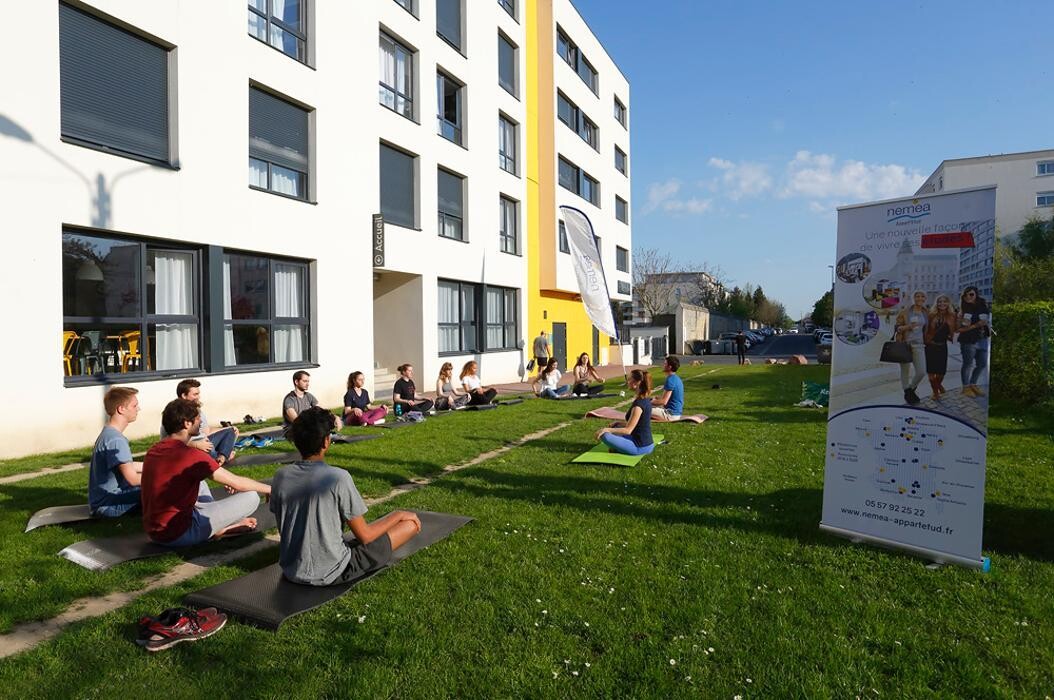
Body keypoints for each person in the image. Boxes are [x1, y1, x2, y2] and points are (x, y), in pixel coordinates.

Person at [270, 407, 422, 586]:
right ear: (326, 442)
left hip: (292, 570)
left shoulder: (281, 476)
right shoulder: (337, 478)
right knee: (410, 525)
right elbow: (366, 536)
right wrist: (398, 514)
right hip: (333, 572)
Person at [142, 399, 271, 547]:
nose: (201, 422)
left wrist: (229, 481)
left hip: (155, 531)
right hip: (180, 533)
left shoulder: (154, 450)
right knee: (252, 497)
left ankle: (219, 526)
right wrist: (270, 489)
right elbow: (238, 483)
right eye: (198, 419)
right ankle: (218, 528)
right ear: (187, 423)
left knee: (199, 481)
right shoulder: (189, 455)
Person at [89, 386, 143, 517]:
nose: (138, 409)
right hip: (109, 504)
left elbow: (126, 465)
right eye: (134, 406)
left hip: (103, 501)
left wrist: (159, 467)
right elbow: (133, 479)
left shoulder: (108, 433)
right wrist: (164, 477)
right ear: (121, 409)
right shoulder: (115, 440)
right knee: (165, 490)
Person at [160, 379, 239, 467]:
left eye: (198, 394)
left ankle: (222, 457)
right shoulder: (174, 412)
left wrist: (227, 429)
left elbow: (206, 431)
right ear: (184, 395)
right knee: (209, 450)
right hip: (190, 446)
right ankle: (221, 457)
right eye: (195, 394)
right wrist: (196, 444)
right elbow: (170, 440)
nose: (198, 397)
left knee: (230, 431)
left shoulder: (197, 409)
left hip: (205, 441)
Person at [594, 369, 655, 456]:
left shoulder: (638, 405)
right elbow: (638, 424)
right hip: (645, 443)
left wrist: (606, 430)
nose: (627, 381)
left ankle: (621, 448)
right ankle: (619, 447)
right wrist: (619, 423)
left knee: (604, 435)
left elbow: (628, 430)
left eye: (630, 379)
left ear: (637, 383)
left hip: (640, 447)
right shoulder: (644, 399)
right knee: (616, 425)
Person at [895, 291, 929, 405]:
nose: (920, 298)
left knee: (921, 372)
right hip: (905, 344)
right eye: (917, 296)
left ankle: (909, 391)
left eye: (922, 296)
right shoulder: (905, 312)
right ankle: (907, 390)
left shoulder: (926, 312)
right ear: (914, 298)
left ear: (925, 298)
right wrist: (909, 326)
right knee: (905, 370)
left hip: (919, 344)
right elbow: (898, 328)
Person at [958, 286, 991, 398]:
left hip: (982, 339)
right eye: (966, 295)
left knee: (982, 364)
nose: (968, 297)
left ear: (976, 294)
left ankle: (973, 384)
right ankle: (966, 387)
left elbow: (986, 322)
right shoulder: (963, 310)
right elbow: (959, 329)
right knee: (968, 364)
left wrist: (986, 324)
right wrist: (975, 325)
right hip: (968, 340)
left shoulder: (983, 307)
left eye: (971, 294)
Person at [924, 294, 957, 400]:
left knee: (941, 372)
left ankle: (938, 384)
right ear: (936, 303)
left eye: (944, 301)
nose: (942, 303)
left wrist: (953, 337)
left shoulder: (952, 315)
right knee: (931, 372)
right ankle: (935, 392)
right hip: (930, 346)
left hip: (942, 346)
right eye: (939, 302)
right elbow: (925, 329)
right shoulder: (931, 314)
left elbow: (954, 332)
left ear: (948, 303)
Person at [651, 355, 684, 421]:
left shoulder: (670, 380)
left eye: (665, 364)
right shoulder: (676, 378)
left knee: (642, 408)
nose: (663, 365)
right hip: (675, 413)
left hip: (670, 415)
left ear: (669, 367)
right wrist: (655, 398)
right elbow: (668, 398)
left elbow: (664, 402)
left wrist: (648, 402)